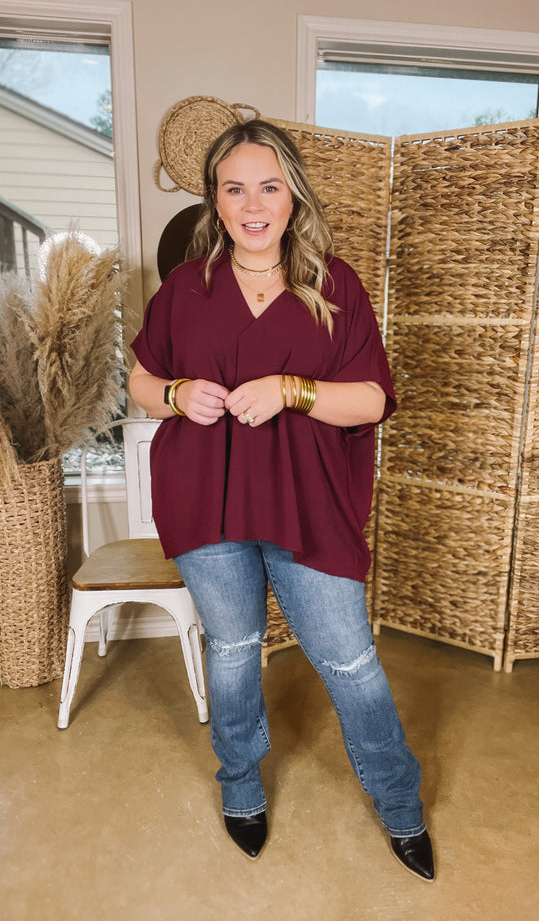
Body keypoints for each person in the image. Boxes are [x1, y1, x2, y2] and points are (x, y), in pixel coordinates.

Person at [128, 119, 434, 881]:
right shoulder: (184, 290)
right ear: (215, 201)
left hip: (309, 505)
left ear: (292, 197)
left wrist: (292, 390)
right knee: (232, 653)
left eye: (269, 186)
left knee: (350, 661)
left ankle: (400, 807)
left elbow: (371, 399)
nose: (253, 204)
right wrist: (172, 393)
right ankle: (240, 790)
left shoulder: (337, 285)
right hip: (208, 501)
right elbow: (138, 381)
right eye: (235, 188)